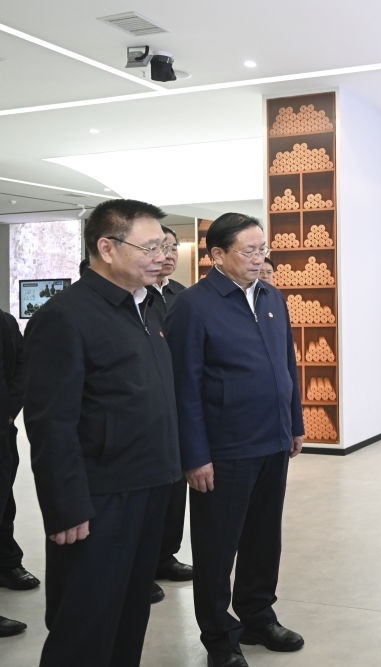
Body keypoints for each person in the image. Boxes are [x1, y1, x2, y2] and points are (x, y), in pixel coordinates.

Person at [22, 198, 181, 666]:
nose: (161, 256)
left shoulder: (149, 307)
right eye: (149, 247)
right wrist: (65, 507)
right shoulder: (65, 316)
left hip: (150, 484)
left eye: (164, 246)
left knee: (130, 613)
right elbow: (51, 423)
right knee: (85, 620)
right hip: (98, 497)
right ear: (107, 248)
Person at [166, 213, 304, 667]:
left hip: (272, 441)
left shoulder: (271, 296)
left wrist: (294, 423)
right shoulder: (193, 306)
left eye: (263, 248)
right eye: (249, 250)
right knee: (217, 547)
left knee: (264, 539)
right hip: (224, 448)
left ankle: (258, 616)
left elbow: (287, 366)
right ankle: (219, 638)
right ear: (217, 255)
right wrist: (195, 455)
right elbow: (183, 386)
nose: (259, 258)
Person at [148, 226, 193, 604]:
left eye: (173, 247)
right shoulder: (136, 296)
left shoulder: (183, 295)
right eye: (162, 247)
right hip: (148, 409)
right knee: (149, 493)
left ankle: (165, 555)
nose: (169, 254)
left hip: (180, 404)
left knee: (176, 488)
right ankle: (141, 566)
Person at [0, 307, 28, 638]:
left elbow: (22, 365)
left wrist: (9, 411)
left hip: (2, 431)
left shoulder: (5, 323)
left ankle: (7, 563)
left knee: (4, 501)